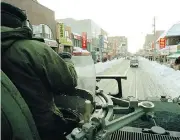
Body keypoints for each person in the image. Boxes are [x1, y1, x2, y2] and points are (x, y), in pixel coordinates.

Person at [1, 2, 78, 140]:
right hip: (41, 130)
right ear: (22, 24)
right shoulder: (33, 50)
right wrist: (66, 60)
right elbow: (68, 81)